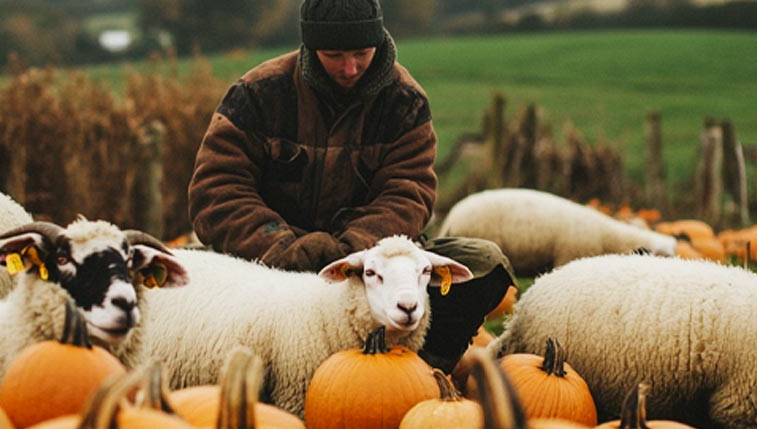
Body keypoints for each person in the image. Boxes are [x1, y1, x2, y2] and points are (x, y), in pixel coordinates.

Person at [187, 0, 514, 371]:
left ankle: (420, 368)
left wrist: (352, 252)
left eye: (361, 52)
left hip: (365, 264)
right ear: (311, 47)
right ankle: (241, 369)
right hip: (270, 265)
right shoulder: (258, 95)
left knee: (484, 263)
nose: (350, 67)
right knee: (182, 280)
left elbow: (407, 194)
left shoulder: (403, 102)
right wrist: (286, 248)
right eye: (334, 55)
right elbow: (217, 192)